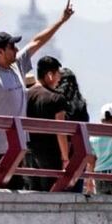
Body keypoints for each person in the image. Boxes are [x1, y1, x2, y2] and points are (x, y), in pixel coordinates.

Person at [0, 0, 75, 189]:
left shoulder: (17, 66)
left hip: (18, 150)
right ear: (0, 51)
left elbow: (37, 42)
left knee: (15, 194)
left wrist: (61, 20)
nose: (17, 50)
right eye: (12, 47)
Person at [24, 56, 70, 192]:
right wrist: (65, 158)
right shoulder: (57, 98)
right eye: (58, 74)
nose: (59, 78)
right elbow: (60, 130)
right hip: (50, 154)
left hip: (28, 153)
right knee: (51, 194)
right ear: (50, 75)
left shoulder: (26, 95)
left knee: (30, 192)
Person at [57, 68, 90, 193]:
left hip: (61, 150)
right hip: (79, 152)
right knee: (75, 190)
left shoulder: (58, 101)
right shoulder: (81, 104)